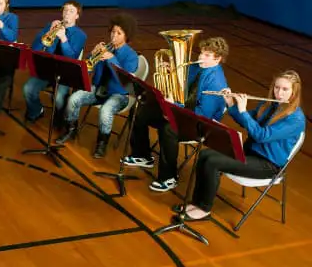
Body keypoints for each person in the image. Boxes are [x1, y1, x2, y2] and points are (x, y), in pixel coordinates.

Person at [181, 70, 306, 221]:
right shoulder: (268, 105)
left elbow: (261, 135)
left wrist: (243, 110)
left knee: (213, 162)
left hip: (268, 164)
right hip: (249, 153)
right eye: (276, 87)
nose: (279, 93)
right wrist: (231, 103)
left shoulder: (295, 119)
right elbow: (244, 121)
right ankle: (197, 203)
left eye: (285, 89)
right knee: (205, 154)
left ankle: (204, 209)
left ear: (294, 92)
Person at [123, 37, 230, 192]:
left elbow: (202, 115)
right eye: (201, 53)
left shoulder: (216, 82)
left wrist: (174, 106)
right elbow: (182, 83)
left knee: (168, 128)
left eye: (207, 55)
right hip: (181, 112)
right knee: (140, 108)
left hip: (199, 125)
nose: (200, 57)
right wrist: (171, 72)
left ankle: (169, 177)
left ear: (218, 59)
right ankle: (142, 155)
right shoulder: (198, 67)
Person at [55, 13, 139, 158]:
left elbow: (124, 81)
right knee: (74, 98)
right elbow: (88, 67)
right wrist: (92, 55)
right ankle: (71, 129)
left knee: (105, 111)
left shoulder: (131, 56)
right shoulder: (105, 48)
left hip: (119, 94)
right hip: (99, 88)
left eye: (119, 33)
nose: (114, 36)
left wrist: (112, 59)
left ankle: (102, 143)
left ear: (127, 36)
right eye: (113, 32)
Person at [22, 0, 87, 124]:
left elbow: (72, 57)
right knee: (28, 89)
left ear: (77, 16)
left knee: (58, 98)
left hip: (65, 73)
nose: (67, 13)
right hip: (47, 70)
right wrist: (48, 32)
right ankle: (36, 110)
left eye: (71, 11)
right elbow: (35, 48)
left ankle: (59, 115)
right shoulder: (51, 26)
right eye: (65, 10)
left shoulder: (80, 35)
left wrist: (63, 38)